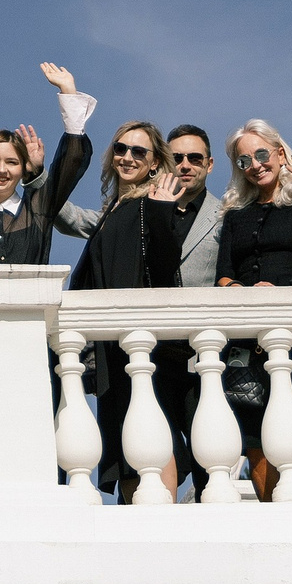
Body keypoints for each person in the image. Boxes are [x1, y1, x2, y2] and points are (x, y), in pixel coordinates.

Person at [64, 118, 186, 501]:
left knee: (151, 430)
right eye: (120, 148)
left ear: (154, 163)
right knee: (125, 447)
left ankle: (161, 526)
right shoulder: (115, 208)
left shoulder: (154, 202)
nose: (127, 157)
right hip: (112, 347)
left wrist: (165, 213)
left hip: (140, 344)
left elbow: (166, 267)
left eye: (139, 151)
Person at [218, 119, 292, 500]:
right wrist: (246, 290)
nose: (255, 164)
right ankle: (273, 518)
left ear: (280, 153)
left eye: (263, 154)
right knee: (256, 437)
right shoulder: (235, 215)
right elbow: (222, 278)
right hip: (249, 339)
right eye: (244, 160)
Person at [0, 64, 93, 265]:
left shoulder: (37, 209)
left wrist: (68, 92)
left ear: (22, 169)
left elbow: (73, 159)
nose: (1, 169)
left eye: (12, 162)